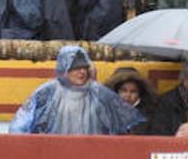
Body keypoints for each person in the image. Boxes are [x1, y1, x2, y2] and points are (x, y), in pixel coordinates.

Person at [11, 45, 142, 135]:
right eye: (75, 68)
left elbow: (121, 125)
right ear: (64, 68)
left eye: (84, 67)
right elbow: (21, 125)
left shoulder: (98, 93)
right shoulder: (47, 92)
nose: (81, 72)